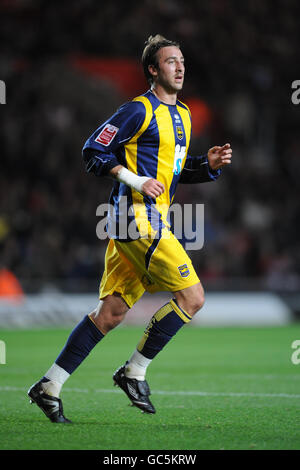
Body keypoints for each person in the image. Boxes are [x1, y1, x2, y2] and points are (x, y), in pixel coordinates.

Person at [28, 34, 232, 423]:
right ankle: (133, 372)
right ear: (153, 70)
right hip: (134, 216)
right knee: (193, 298)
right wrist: (136, 181)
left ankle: (49, 385)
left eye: (182, 60)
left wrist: (207, 165)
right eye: (171, 61)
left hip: (145, 220)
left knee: (112, 312)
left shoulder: (185, 115)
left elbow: (170, 172)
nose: (180, 66)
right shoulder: (137, 110)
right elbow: (93, 150)